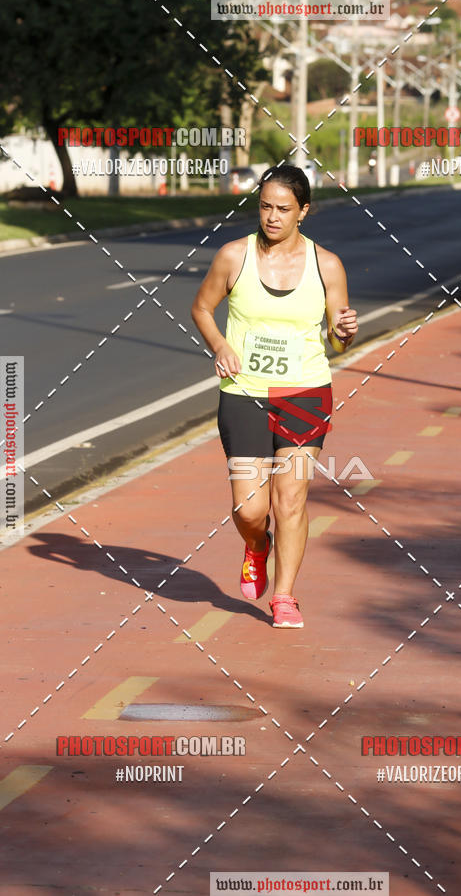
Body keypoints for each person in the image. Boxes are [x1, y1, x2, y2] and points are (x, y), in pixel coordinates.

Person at [191, 164, 358, 629]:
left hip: (304, 392)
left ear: (304, 211)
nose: (272, 217)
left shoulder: (326, 265)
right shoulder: (232, 257)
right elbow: (202, 308)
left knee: (291, 499)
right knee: (250, 509)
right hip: (245, 393)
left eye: (284, 209)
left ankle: (284, 596)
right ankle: (256, 545)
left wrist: (343, 331)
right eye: (265, 206)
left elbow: (338, 337)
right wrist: (221, 344)